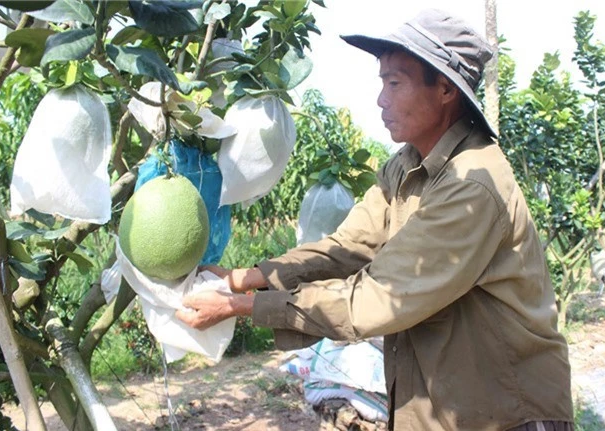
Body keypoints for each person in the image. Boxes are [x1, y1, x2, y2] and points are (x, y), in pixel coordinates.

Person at [177, 9, 574, 430]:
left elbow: (376, 298)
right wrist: (247, 276)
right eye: (382, 82)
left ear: (444, 89)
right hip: (445, 408)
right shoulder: (406, 167)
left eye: (395, 83)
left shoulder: (471, 185)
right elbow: (349, 246)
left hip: (506, 416)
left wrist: (242, 306)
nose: (381, 99)